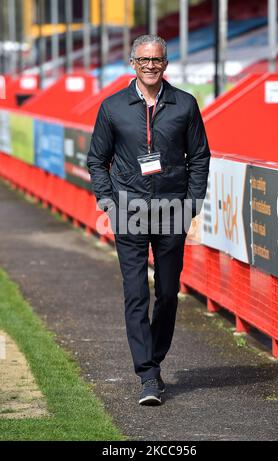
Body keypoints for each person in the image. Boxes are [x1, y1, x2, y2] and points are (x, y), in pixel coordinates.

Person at [87, 34, 210, 405]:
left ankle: (152, 360)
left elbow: (200, 156)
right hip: (129, 210)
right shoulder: (112, 107)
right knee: (136, 293)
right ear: (132, 63)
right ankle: (147, 374)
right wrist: (108, 202)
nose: (151, 66)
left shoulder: (185, 105)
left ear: (166, 63)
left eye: (157, 60)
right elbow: (96, 159)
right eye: (144, 60)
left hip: (172, 209)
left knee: (169, 293)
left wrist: (192, 204)